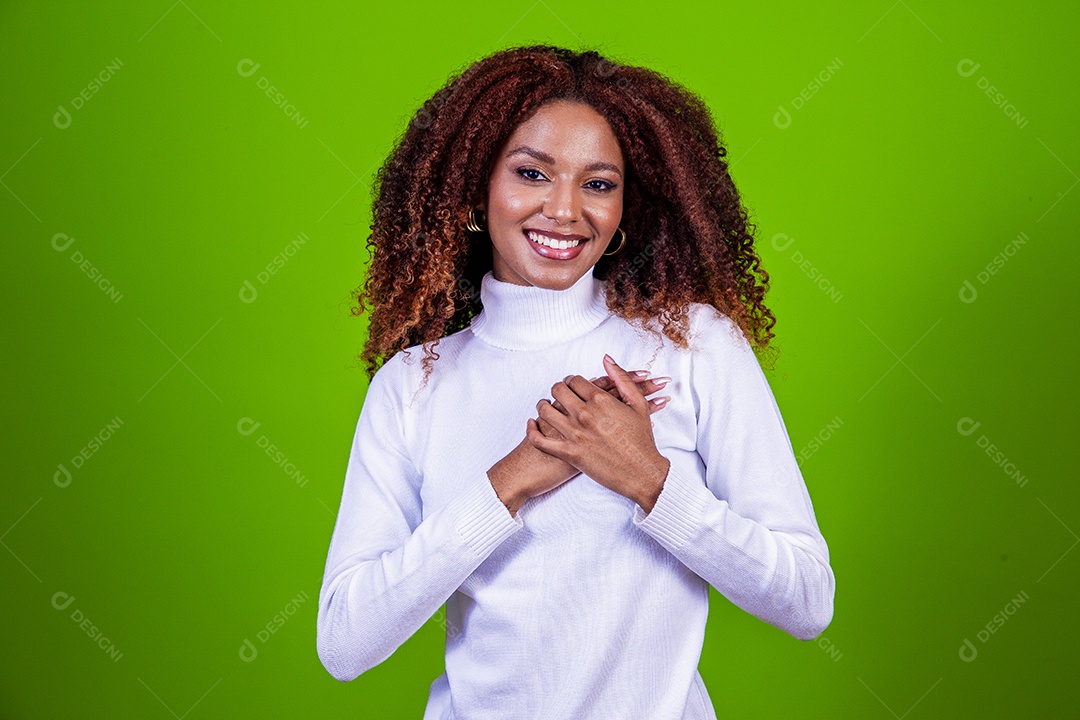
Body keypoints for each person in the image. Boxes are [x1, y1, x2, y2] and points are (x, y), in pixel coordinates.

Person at [316, 44, 835, 719]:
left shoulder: (692, 345)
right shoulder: (414, 384)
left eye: (598, 183)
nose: (564, 210)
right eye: (532, 173)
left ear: (626, 205)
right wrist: (513, 480)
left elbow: (805, 600)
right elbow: (346, 642)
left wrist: (647, 479)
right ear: (476, 188)